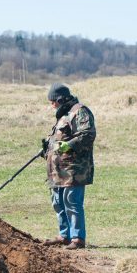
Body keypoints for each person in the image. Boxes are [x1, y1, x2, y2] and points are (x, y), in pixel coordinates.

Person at [41, 83, 96, 250]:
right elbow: (59, 138)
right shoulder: (63, 114)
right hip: (57, 170)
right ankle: (64, 236)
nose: (52, 106)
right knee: (58, 202)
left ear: (60, 99)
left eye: (52, 102)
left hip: (73, 169)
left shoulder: (79, 111)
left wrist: (69, 145)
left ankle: (78, 238)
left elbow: (87, 134)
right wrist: (46, 149)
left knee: (71, 202)